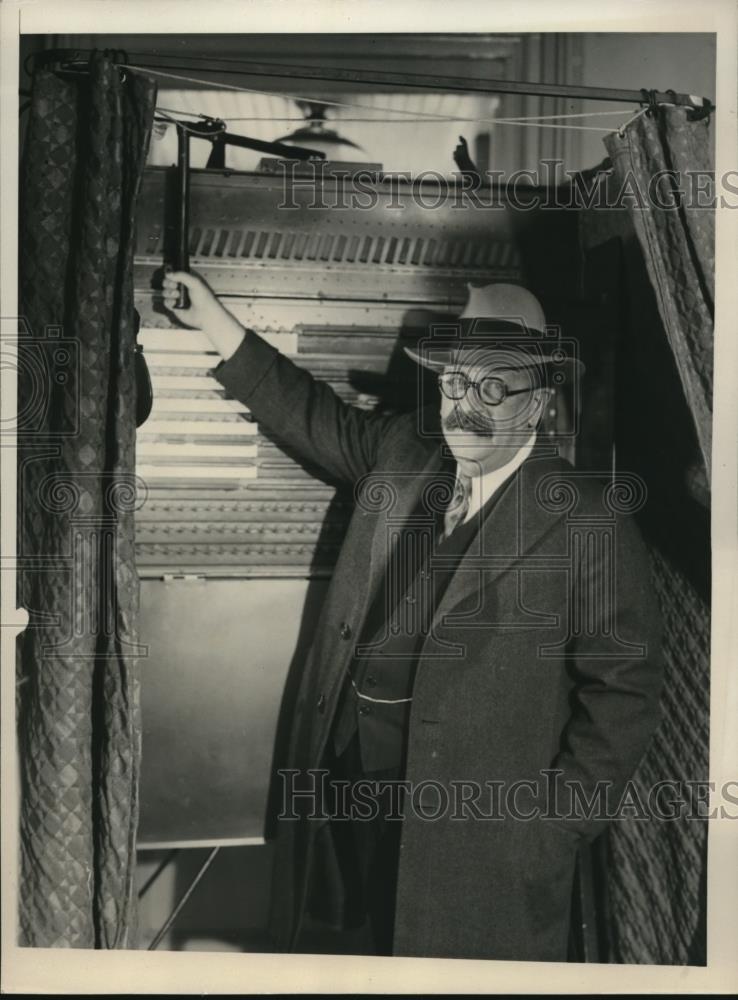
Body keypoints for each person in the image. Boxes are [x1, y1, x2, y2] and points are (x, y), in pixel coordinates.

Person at [161, 271, 663, 962]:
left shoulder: (588, 519)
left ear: (539, 403)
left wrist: (550, 829)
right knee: (346, 952)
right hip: (345, 786)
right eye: (455, 383)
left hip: (471, 838)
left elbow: (626, 695)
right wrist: (215, 321)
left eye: (493, 389)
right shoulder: (402, 453)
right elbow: (311, 415)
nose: (464, 406)